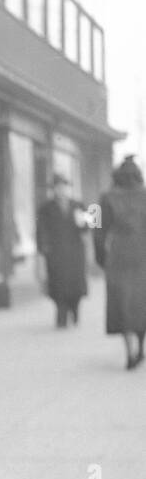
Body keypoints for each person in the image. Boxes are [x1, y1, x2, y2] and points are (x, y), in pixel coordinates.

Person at [93, 155, 146, 370]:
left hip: (119, 255)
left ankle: (129, 350)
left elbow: (96, 229)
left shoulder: (105, 197)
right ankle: (141, 348)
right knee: (142, 303)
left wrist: (100, 258)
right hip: (143, 254)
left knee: (122, 304)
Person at [36, 174, 88, 329]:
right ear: (53, 190)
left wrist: (85, 220)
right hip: (56, 254)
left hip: (75, 253)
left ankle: (75, 309)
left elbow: (89, 226)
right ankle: (61, 316)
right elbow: (41, 230)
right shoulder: (45, 208)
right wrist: (43, 249)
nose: (61, 190)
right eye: (58, 187)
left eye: (63, 187)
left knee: (76, 287)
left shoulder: (78, 205)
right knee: (58, 286)